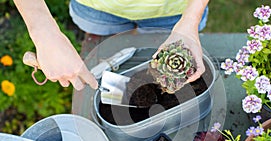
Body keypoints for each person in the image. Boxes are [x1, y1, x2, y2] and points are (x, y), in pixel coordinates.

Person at [13, 0, 209, 90]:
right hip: (96, 8)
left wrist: (191, 18)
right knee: (105, 41)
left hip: (176, 10)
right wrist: (45, 33)